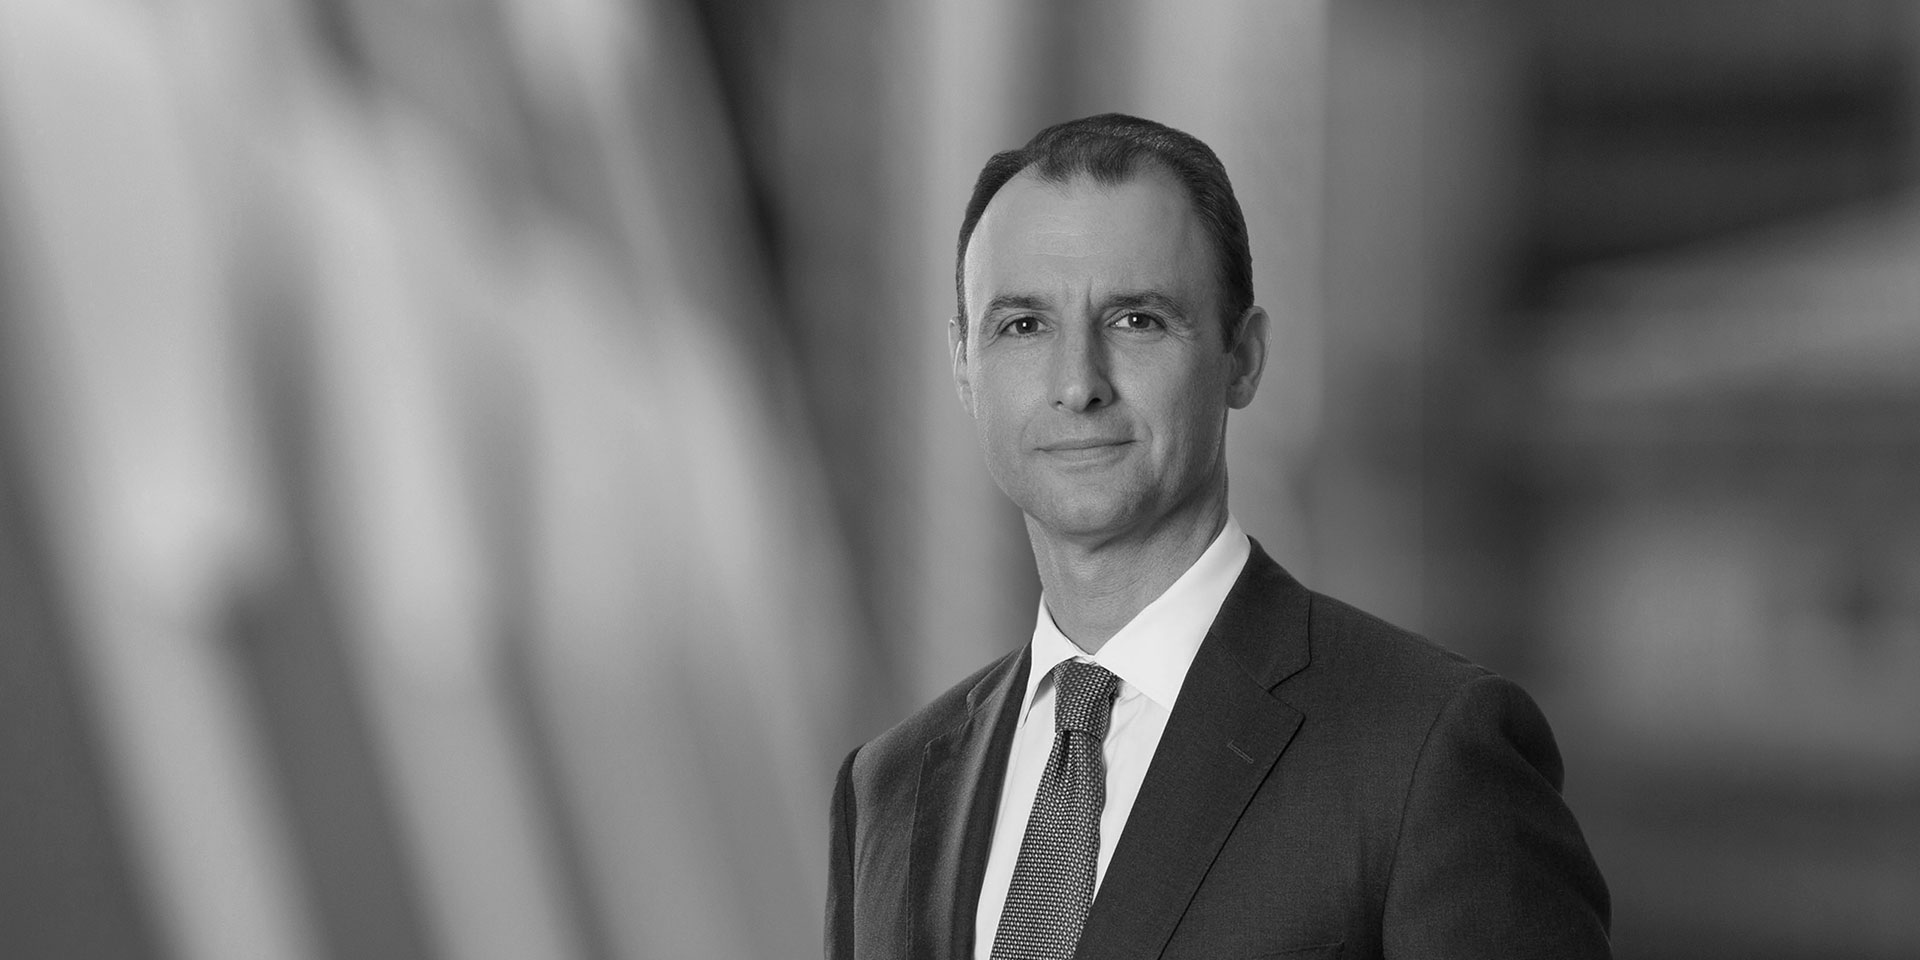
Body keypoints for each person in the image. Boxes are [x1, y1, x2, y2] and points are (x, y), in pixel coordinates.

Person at [825, 113, 1610, 960]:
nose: (1078, 384)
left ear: (1244, 356)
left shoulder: (1427, 753)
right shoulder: (889, 791)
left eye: (1136, 320)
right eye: (1023, 325)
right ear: (962, 364)